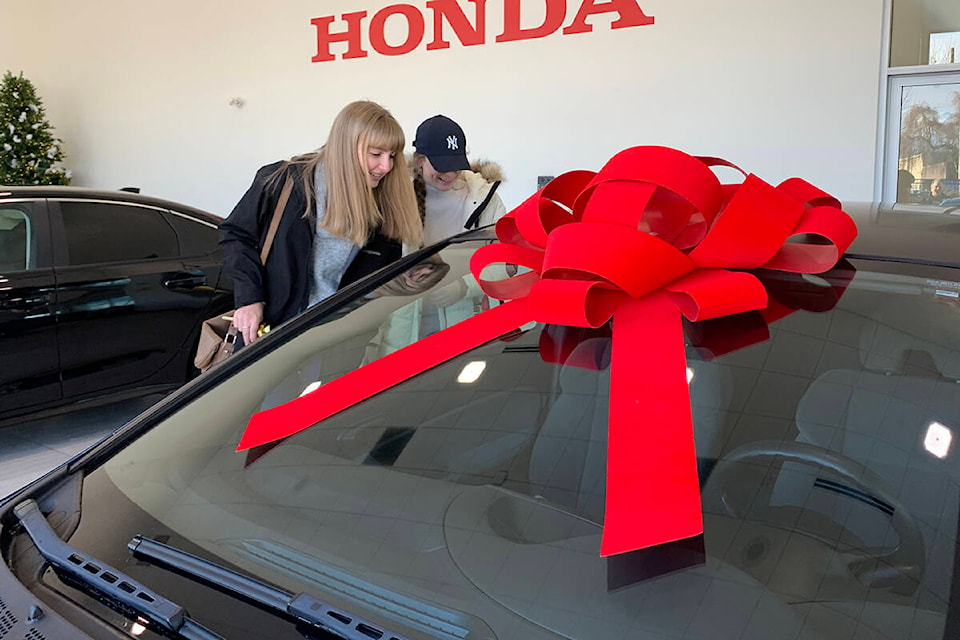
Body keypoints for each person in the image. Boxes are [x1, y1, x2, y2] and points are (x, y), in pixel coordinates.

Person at [219, 100, 422, 347]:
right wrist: (249, 298)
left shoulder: (385, 201)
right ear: (346, 147)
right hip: (272, 337)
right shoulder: (283, 182)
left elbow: (378, 282)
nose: (386, 166)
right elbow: (235, 234)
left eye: (392, 156)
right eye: (376, 154)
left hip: (336, 344)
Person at [411, 114, 506, 245]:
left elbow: (500, 256)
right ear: (420, 159)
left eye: (456, 165)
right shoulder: (395, 198)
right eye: (442, 166)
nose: (450, 174)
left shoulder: (487, 199)